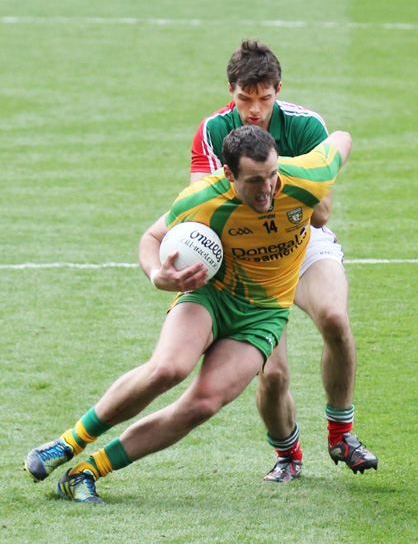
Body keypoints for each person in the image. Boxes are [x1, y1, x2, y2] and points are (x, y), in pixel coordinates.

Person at [24, 125, 350, 503]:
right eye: (255, 180)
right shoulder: (204, 198)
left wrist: (317, 186)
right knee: (167, 369)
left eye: (273, 175)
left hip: (263, 315)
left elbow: (342, 139)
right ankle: (66, 444)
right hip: (212, 295)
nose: (268, 189)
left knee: (203, 404)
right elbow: (151, 238)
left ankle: (87, 471)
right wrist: (157, 274)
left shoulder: (305, 176)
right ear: (229, 175)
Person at [190, 39, 378, 481]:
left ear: (278, 89)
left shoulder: (306, 125)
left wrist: (271, 181)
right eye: (244, 99)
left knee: (334, 316)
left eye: (264, 99)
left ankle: (341, 433)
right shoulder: (213, 131)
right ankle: (288, 455)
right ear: (230, 91)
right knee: (272, 376)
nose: (254, 110)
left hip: (303, 235)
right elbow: (200, 207)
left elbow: (322, 213)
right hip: (248, 251)